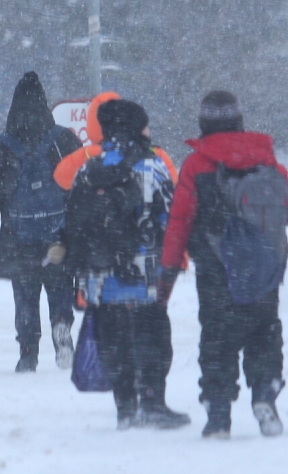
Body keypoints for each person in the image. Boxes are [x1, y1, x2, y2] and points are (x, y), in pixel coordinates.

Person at [159, 91, 288, 439]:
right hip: (264, 265)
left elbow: (179, 222)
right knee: (264, 333)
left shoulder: (197, 165)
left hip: (216, 268)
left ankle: (218, 415)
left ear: (204, 123)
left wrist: (168, 272)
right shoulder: (264, 159)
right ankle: (265, 397)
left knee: (217, 338)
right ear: (238, 119)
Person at [61, 99, 191, 429]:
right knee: (152, 339)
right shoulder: (153, 168)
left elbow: (74, 223)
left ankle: (126, 409)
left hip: (101, 278)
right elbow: (172, 221)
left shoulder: (89, 170)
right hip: (145, 279)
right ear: (136, 128)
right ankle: (152, 403)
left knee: (114, 342)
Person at [0, 72, 82, 373]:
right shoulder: (63, 139)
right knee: (59, 284)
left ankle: (27, 351)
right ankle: (62, 328)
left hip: (16, 233)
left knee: (25, 294)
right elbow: (81, 185)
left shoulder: (3, 145)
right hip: (58, 233)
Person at [52, 91, 179, 191]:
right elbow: (173, 188)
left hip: (98, 221)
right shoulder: (154, 155)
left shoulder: (88, 157)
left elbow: (61, 178)